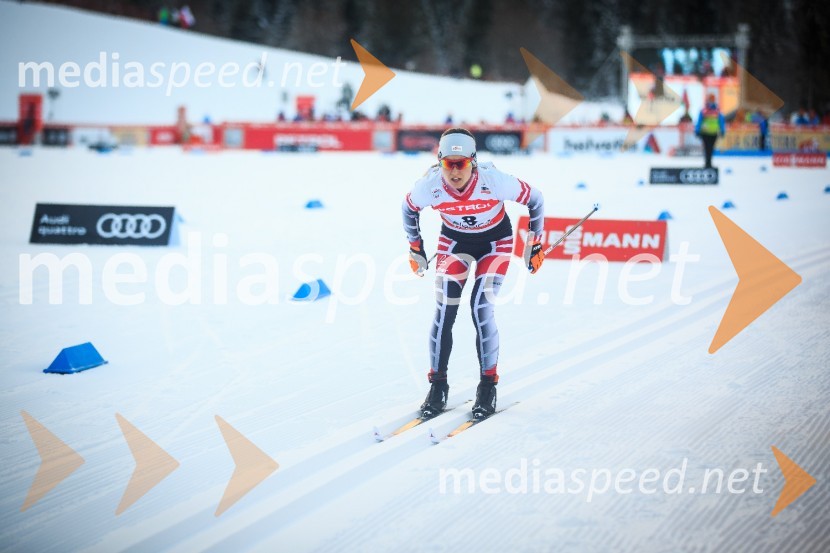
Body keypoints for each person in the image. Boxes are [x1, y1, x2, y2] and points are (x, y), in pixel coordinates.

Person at [401, 128, 545, 420]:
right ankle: (437, 386)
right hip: (453, 243)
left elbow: (536, 200)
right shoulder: (430, 185)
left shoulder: (494, 181)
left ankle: (487, 387)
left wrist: (534, 244)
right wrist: (416, 248)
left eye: (462, 163)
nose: (455, 171)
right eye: (448, 163)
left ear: (474, 161)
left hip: (496, 242)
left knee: (480, 307)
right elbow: (408, 208)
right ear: (439, 161)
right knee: (444, 310)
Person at [695, 94, 725, 168]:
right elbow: (699, 121)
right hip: (705, 133)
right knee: (706, 148)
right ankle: (707, 163)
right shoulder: (704, 110)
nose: (711, 101)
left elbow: (721, 121)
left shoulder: (717, 111)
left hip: (714, 133)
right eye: (710, 99)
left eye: (713, 99)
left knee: (711, 149)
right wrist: (697, 130)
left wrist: (722, 130)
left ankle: (709, 163)